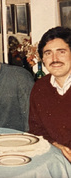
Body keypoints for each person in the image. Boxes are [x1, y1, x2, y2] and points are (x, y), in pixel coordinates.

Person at [29, 26, 71, 162]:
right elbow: (36, 129)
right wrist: (55, 145)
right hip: (53, 157)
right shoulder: (40, 87)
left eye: (61, 52)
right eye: (48, 53)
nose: (54, 58)